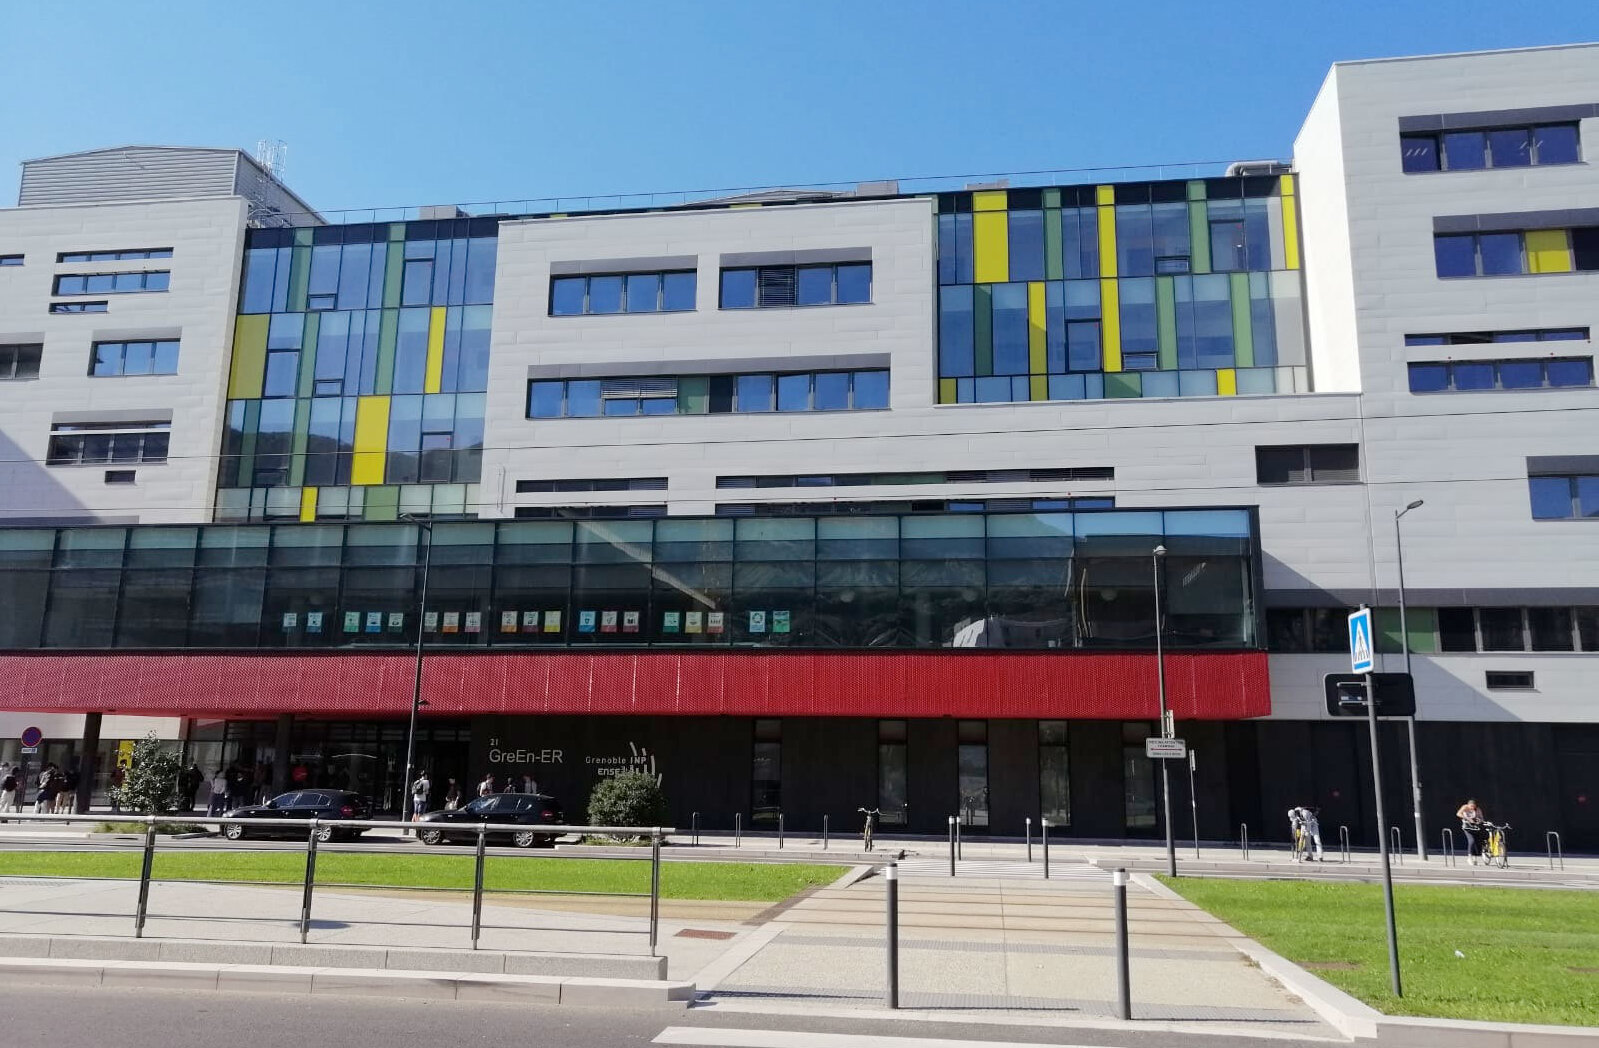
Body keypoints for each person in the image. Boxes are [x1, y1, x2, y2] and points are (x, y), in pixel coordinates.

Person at [1457, 798, 1486, 864]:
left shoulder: (1478, 809)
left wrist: (1479, 820)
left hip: (1475, 827)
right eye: (1471, 806)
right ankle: (1469, 857)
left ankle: (1475, 858)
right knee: (1471, 841)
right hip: (1467, 827)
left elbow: (1482, 818)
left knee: (1477, 842)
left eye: (1473, 806)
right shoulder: (1464, 807)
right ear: (1468, 805)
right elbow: (1458, 814)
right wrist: (1467, 818)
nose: (1472, 808)